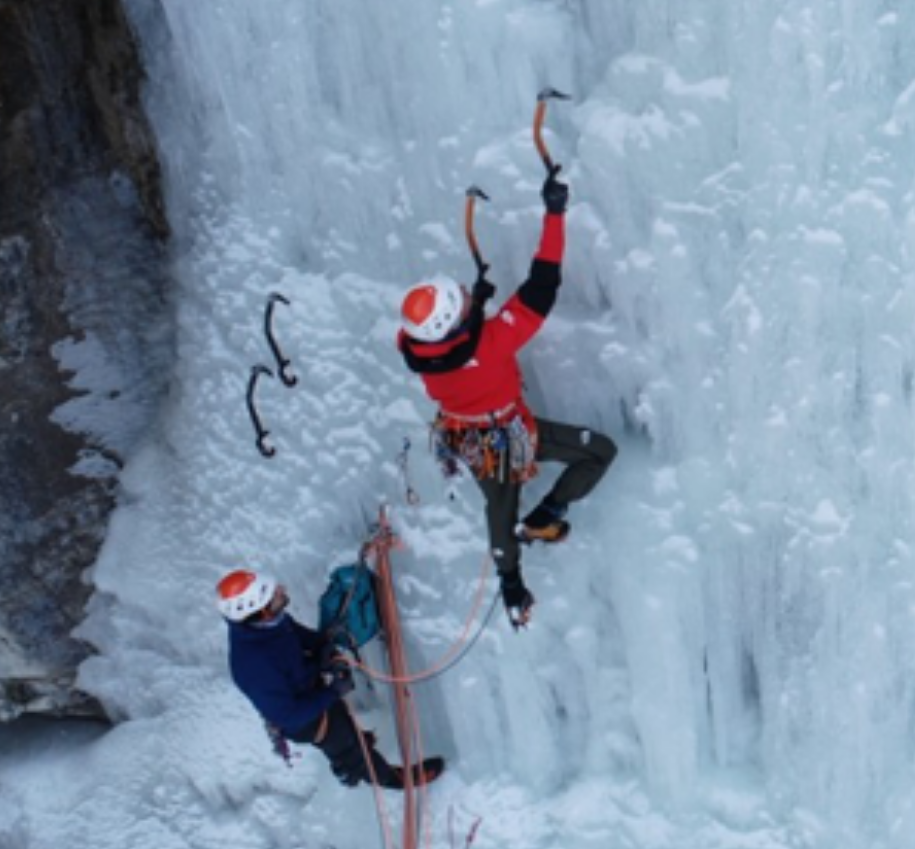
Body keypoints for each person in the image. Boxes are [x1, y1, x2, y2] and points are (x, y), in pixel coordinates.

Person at [397, 172, 617, 627]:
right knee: (595, 453)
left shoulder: (416, 352)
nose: (463, 297)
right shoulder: (492, 341)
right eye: (458, 303)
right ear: (456, 326)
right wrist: (555, 214)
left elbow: (453, 347)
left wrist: (473, 304)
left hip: (465, 436)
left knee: (500, 507)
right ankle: (543, 521)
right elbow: (543, 283)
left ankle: (516, 569)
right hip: (507, 437)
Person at [217, 569, 444, 788]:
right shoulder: (252, 666)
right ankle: (392, 779)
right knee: (348, 748)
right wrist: (333, 691)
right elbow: (289, 716)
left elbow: (295, 633)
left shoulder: (267, 623)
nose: (281, 590)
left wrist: (323, 648)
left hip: (311, 690)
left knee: (343, 723)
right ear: (262, 610)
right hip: (305, 719)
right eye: (274, 595)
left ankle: (348, 754)